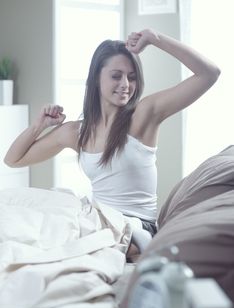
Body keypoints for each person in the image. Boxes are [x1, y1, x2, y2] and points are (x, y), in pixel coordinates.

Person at [4, 29, 220, 256]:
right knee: (22, 211)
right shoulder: (77, 132)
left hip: (135, 228)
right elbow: (13, 159)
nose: (126, 84)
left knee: (60, 235)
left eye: (132, 76)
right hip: (96, 219)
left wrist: (155, 39)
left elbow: (209, 74)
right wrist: (39, 125)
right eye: (116, 76)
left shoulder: (143, 116)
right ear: (96, 78)